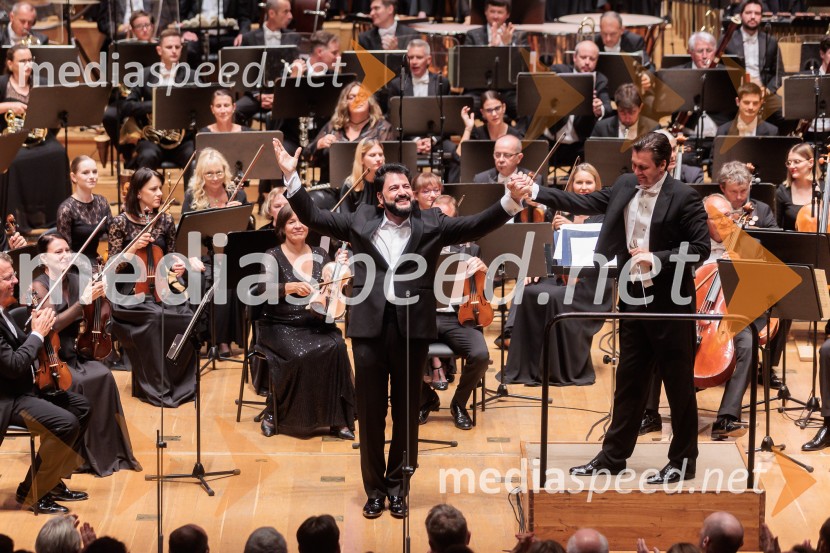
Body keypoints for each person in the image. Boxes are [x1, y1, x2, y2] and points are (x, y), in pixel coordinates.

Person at [274, 138, 530, 519]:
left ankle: (399, 486)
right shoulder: (359, 221)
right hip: (368, 329)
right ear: (380, 197)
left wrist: (510, 201)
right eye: (394, 187)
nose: (403, 192)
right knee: (372, 411)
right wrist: (291, 176)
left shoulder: (432, 223)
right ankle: (374, 489)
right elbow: (314, 216)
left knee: (407, 413)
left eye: (406, 187)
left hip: (412, 327)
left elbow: (476, 223)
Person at [531, 132, 710, 484]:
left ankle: (683, 461)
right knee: (629, 382)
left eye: (645, 167)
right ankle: (613, 457)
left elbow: (700, 249)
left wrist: (656, 258)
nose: (637, 172)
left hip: (671, 304)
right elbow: (582, 202)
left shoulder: (685, 198)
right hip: (632, 297)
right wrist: (536, 192)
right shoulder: (627, 184)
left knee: (678, 386)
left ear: (665, 164)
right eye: (634, 165)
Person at [639, 194, 764, 441]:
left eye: (730, 215)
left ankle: (726, 417)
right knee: (655, 334)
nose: (727, 221)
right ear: (703, 220)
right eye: (719, 217)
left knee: (747, 342)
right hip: (689, 312)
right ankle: (650, 414)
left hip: (726, 317)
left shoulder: (747, 244)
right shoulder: (690, 243)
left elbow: (762, 291)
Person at [33, 233, 141, 476]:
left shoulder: (75, 278)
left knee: (104, 376)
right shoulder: (40, 286)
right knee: (81, 383)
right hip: (52, 360)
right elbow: (52, 326)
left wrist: (100, 293)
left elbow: (98, 309)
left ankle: (109, 452)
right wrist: (82, 303)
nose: (65, 255)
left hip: (76, 353)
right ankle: (79, 458)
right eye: (57, 251)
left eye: (67, 250)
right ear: (43, 258)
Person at [0, 252, 91, 514]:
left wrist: (41, 329)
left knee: (82, 408)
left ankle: (50, 483)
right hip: (9, 397)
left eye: (14, 275)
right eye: (8, 278)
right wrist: (38, 334)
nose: (16, 281)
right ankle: (32, 492)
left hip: (26, 388)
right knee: (66, 423)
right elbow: (14, 364)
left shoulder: (5, 311)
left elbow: (22, 348)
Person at [255, 205, 356, 439]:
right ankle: (274, 413)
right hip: (279, 325)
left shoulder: (321, 255)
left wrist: (340, 267)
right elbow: (262, 289)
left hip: (315, 322)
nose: (298, 226)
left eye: (301, 221)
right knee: (300, 355)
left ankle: (337, 420)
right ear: (280, 227)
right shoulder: (272, 255)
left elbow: (333, 289)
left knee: (338, 347)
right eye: (291, 222)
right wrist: (287, 287)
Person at [503, 163, 609, 385]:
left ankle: (555, 368)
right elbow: (548, 248)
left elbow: (599, 252)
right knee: (529, 291)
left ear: (597, 185)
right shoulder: (559, 211)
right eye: (579, 182)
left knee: (552, 298)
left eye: (588, 182)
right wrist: (536, 270)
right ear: (571, 185)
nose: (583, 187)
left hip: (592, 283)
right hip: (560, 275)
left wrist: (571, 228)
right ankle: (526, 365)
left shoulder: (603, 215)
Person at [108, 167, 197, 407]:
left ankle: (181, 385)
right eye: (153, 189)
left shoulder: (165, 219)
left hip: (160, 286)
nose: (159, 193)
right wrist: (132, 247)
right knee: (156, 318)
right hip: (129, 292)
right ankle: (158, 387)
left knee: (185, 315)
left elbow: (171, 255)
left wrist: (179, 266)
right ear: (138, 193)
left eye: (160, 188)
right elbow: (112, 268)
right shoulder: (120, 222)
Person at [419, 195, 492, 430]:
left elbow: (485, 294)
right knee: (397, 349)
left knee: (480, 355)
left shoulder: (472, 248)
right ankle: (426, 399)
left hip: (458, 319)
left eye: (446, 219)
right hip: (424, 317)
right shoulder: (416, 244)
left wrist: (483, 272)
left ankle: (459, 404)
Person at [182, 148, 248, 358]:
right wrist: (191, 256)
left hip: (227, 255)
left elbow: (245, 232)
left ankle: (222, 340)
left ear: (225, 171)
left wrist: (237, 213)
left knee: (227, 280)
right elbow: (186, 232)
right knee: (198, 278)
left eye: (219, 172)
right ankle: (201, 338)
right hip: (199, 255)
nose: (215, 178)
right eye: (209, 174)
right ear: (201, 175)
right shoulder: (192, 196)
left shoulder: (237, 193)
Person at [0, 44, 71, 232]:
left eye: (30, 60)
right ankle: (14, 221)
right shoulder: (2, 83)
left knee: (58, 154)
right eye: (22, 61)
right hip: (12, 138)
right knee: (12, 163)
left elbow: (56, 114)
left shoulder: (42, 82)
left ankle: (57, 217)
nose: (28, 64)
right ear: (10, 63)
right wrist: (7, 106)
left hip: (40, 137)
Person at [121, 29, 196, 179]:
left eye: (177, 47)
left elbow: (200, 108)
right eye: (169, 47)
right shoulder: (145, 74)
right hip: (151, 140)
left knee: (194, 159)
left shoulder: (192, 75)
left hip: (183, 141)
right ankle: (145, 201)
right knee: (147, 156)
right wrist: (157, 105)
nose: (174, 51)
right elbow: (128, 106)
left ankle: (193, 202)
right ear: (159, 50)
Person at [304, 82, 393, 182]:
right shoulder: (333, 126)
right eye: (352, 97)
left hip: (370, 186)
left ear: (370, 101)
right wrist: (319, 144)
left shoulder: (383, 128)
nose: (357, 100)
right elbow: (306, 155)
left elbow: (390, 163)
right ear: (345, 102)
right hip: (332, 186)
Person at [547, 41, 612, 165]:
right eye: (583, 57)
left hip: (580, 145)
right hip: (552, 140)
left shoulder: (600, 80)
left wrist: (599, 109)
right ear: (574, 57)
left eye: (592, 59)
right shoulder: (559, 71)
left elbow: (607, 108)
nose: (587, 62)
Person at [56, 156, 112, 263]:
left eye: (94, 172)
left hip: (96, 261)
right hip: (74, 266)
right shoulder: (66, 209)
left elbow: (114, 234)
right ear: (73, 177)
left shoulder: (102, 202)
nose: (92, 176)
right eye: (85, 173)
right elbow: (65, 252)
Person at [724, 0, 784, 95]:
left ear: (761, 16)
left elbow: (779, 73)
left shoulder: (770, 41)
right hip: (735, 92)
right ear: (740, 15)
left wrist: (768, 90)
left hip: (763, 91)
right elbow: (718, 69)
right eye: (748, 13)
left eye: (757, 13)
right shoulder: (727, 40)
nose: (753, 17)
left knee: (783, 108)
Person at [718, 160, 778, 229]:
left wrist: (757, 232)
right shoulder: (712, 209)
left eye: (743, 191)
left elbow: (777, 238)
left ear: (750, 185)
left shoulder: (763, 210)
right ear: (722, 188)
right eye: (734, 192)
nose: (739, 197)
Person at [591, 84, 660, 140]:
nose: (627, 118)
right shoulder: (601, 128)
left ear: (640, 107)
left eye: (632, 112)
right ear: (617, 107)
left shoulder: (654, 129)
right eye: (622, 112)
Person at [338, 139, 386, 214]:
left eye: (380, 154)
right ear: (361, 159)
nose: (378, 159)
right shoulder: (350, 185)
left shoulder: (388, 183)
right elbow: (345, 217)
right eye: (372, 155)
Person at [473, 135, 543, 186]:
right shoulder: (480, 179)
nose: (501, 160)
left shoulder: (534, 179)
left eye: (507, 155)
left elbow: (538, 206)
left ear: (519, 158)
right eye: (497, 154)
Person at [775, 142, 814, 230]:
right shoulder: (782, 191)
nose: (791, 166)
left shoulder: (825, 190)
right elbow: (775, 227)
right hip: (791, 242)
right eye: (789, 163)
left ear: (810, 162)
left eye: (797, 162)